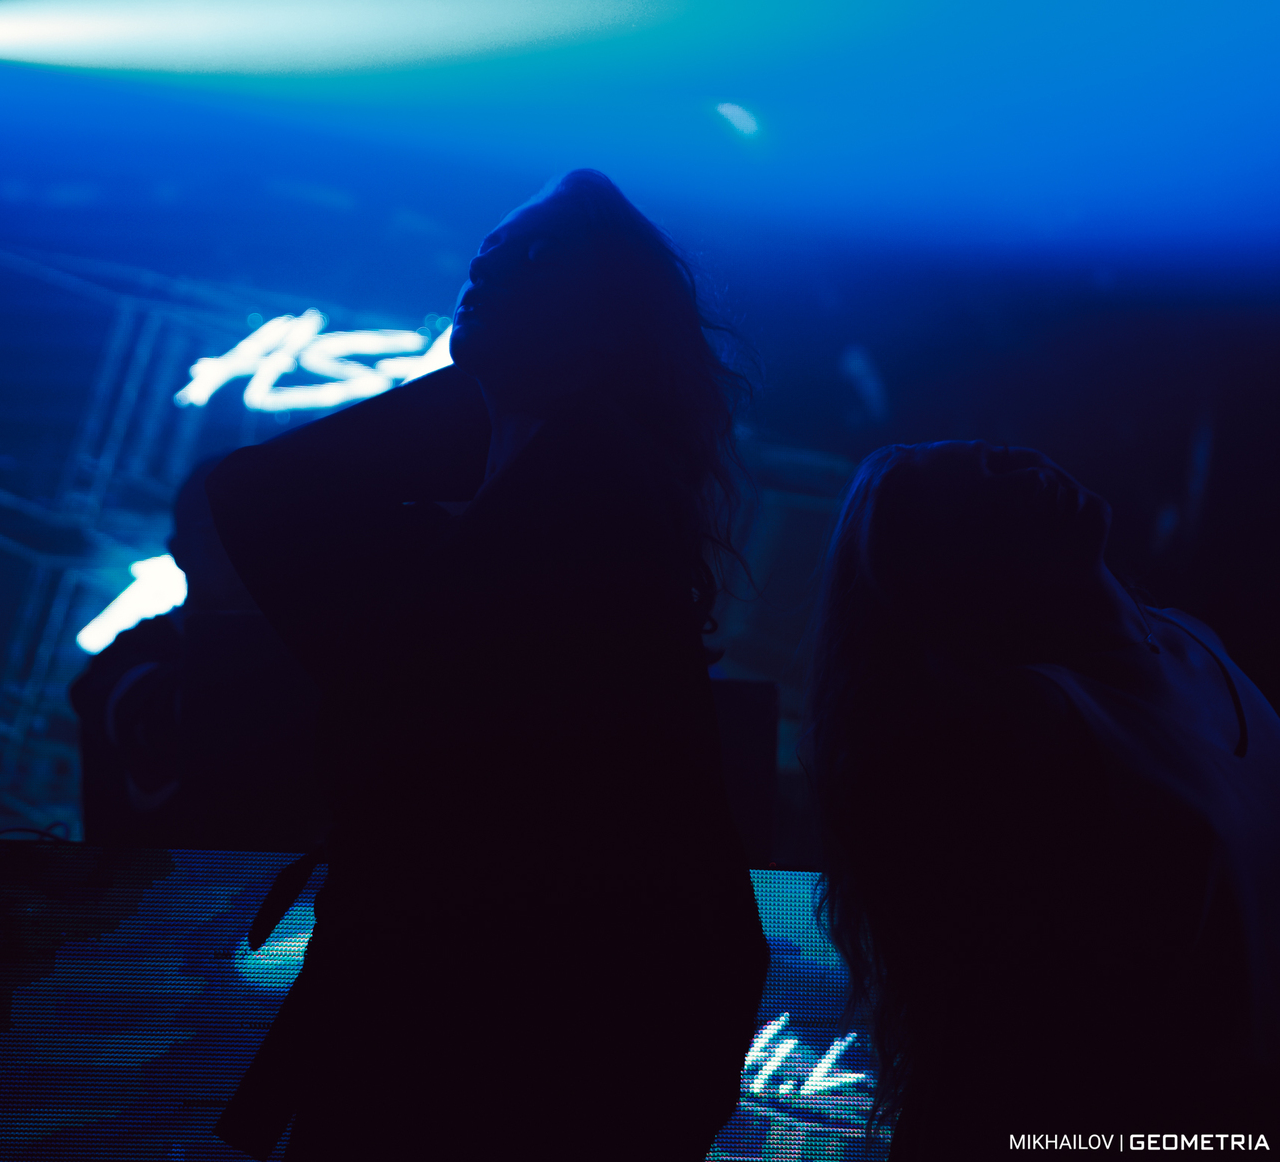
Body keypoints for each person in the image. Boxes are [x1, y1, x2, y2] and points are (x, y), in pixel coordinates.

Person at [208, 169, 769, 1162]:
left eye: (536, 255)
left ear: (610, 326)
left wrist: (489, 399)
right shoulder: (571, 508)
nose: (486, 266)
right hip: (506, 1026)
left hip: (495, 1033)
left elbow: (262, 499)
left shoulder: (582, 511)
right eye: (489, 250)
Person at [805, 441, 1280, 1152]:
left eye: (1003, 456)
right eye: (977, 495)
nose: (1026, 471)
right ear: (948, 566)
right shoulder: (1026, 725)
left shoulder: (1192, 634)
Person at [69, 458, 327, 850]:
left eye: (260, 533)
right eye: (220, 536)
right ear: (181, 551)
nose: (242, 552)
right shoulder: (127, 659)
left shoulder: (317, 647)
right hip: (165, 889)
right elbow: (167, 727)